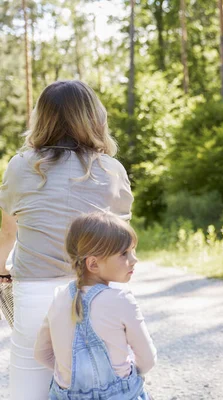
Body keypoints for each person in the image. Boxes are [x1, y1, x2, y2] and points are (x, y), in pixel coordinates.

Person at [0, 80, 134, 399]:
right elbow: (120, 241)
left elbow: (7, 231)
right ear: (94, 117)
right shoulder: (111, 170)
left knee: (29, 379)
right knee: (100, 379)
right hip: (95, 291)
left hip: (34, 290)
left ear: (41, 118)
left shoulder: (20, 167)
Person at [34, 212, 156, 399]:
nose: (134, 259)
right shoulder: (121, 299)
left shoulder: (59, 296)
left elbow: (41, 354)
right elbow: (147, 360)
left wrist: (74, 378)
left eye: (133, 250)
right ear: (93, 264)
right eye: (124, 253)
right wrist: (125, 377)